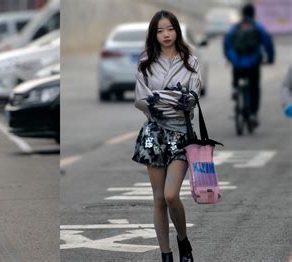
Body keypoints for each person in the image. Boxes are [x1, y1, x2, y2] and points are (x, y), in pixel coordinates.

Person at [132, 10, 200, 262]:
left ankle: (183, 241)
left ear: (176, 30)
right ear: (154, 34)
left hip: (182, 133)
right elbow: (141, 100)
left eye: (169, 29)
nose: (165, 35)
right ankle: (166, 254)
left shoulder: (190, 60)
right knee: (159, 198)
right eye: (159, 31)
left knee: (172, 195)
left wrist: (159, 97)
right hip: (154, 134)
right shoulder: (146, 61)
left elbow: (191, 99)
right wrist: (172, 98)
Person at [223, 3, 274, 127]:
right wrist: (270, 59)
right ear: (253, 13)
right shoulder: (257, 26)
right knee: (254, 87)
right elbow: (267, 42)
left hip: (237, 62)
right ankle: (252, 114)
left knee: (236, 70)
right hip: (253, 62)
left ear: (242, 14)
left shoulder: (236, 27)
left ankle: (235, 88)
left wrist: (230, 57)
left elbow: (227, 43)